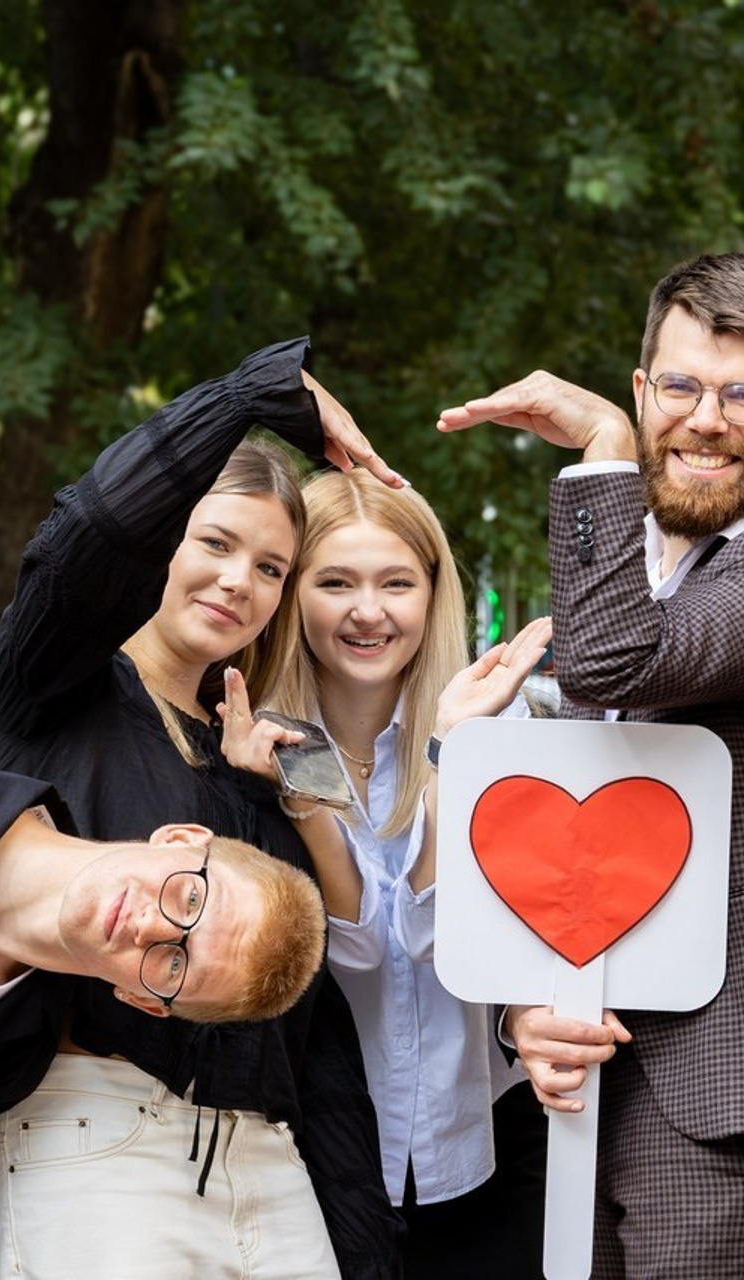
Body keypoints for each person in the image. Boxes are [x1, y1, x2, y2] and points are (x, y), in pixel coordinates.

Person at [436, 251, 744, 1277]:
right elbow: (559, 827)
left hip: (733, 1083)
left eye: (743, 394)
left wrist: (599, 447)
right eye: (677, 386)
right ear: (645, 388)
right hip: (582, 1062)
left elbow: (615, 658)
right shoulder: (618, 570)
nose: (705, 418)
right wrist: (521, 1010)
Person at [0, 339, 403, 1278]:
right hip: (97, 1138)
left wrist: (257, 794)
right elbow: (88, 537)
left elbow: (309, 1016)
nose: (237, 582)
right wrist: (253, 396)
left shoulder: (255, 746)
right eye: (214, 543)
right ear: (161, 543)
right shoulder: (52, 690)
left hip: (267, 1151)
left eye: (271, 567)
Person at [0, 697, 325, 1277]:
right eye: (189, 897)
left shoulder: (9, 1061)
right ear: (178, 839)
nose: (151, 927)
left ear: (142, 1000)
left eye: (174, 965)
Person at [220, 469, 553, 1277]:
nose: (368, 612)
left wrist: (447, 752)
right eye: (335, 582)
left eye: (396, 582)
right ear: (294, 593)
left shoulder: (496, 720)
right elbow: (359, 950)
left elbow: (441, 937)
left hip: (485, 1138)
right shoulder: (250, 742)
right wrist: (301, 795)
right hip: (311, 1150)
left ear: (432, 593)